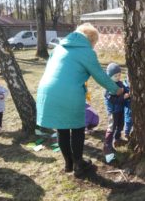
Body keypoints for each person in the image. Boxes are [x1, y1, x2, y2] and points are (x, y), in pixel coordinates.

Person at [36, 23, 124, 178]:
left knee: (62, 129)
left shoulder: (58, 48)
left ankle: (68, 163)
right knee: (77, 128)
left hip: (47, 90)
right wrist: (116, 89)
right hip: (69, 92)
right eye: (94, 43)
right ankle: (78, 164)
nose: (94, 46)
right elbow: (100, 75)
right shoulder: (86, 51)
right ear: (91, 40)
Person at [103, 63, 129, 163]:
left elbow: (124, 88)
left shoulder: (119, 83)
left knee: (120, 125)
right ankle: (107, 147)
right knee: (111, 128)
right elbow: (113, 100)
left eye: (119, 75)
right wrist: (123, 97)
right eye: (115, 76)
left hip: (120, 110)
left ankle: (117, 139)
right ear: (109, 76)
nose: (118, 77)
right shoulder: (108, 88)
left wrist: (128, 90)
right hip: (113, 112)